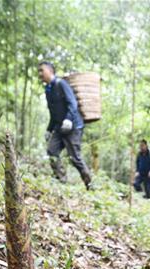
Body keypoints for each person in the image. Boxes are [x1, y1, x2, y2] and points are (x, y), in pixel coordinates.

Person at [37, 61, 92, 189]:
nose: (40, 74)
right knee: (52, 151)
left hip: (73, 126)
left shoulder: (61, 84)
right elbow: (53, 113)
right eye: (38, 71)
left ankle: (89, 184)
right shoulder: (48, 90)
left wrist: (68, 119)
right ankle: (61, 180)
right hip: (59, 127)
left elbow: (72, 103)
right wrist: (49, 130)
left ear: (50, 71)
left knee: (75, 158)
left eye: (42, 70)